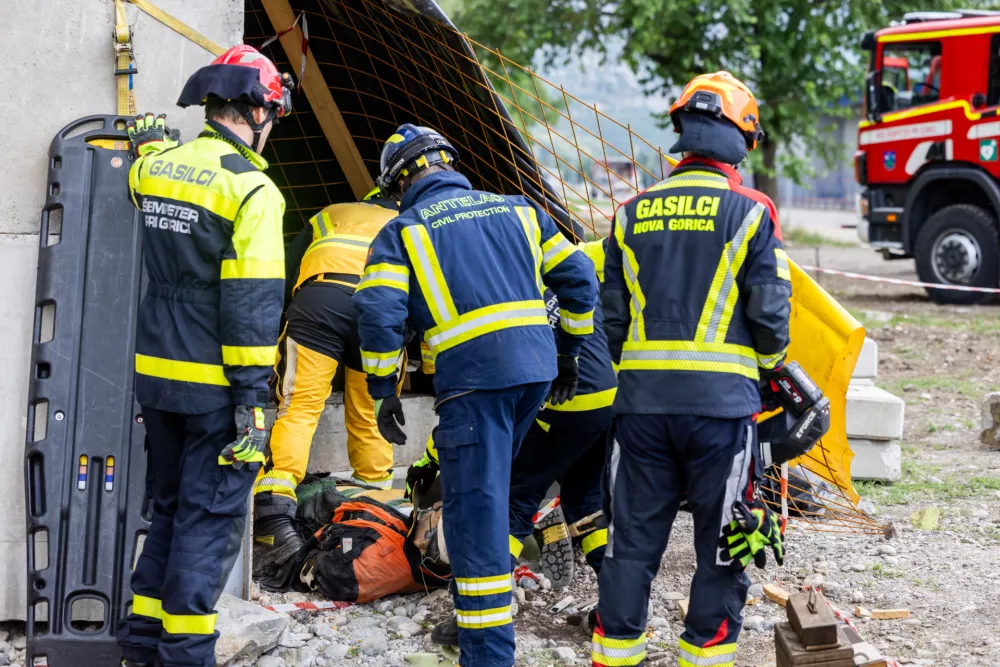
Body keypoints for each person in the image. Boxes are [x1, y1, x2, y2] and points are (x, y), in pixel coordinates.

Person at [353, 124, 597, 667]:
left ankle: (487, 652)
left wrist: (381, 389)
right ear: (448, 164)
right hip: (533, 375)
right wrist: (567, 352)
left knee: (477, 509)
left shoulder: (403, 230)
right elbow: (578, 275)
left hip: (474, 383)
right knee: (482, 494)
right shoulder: (520, 209)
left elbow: (377, 312)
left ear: (399, 184)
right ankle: (471, 612)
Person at [592, 71, 792, 667]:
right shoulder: (752, 212)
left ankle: (617, 654)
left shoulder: (630, 214)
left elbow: (613, 318)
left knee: (630, 544)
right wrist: (771, 367)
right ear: (741, 140)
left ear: (682, 133)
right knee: (725, 544)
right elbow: (771, 311)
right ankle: (703, 656)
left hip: (641, 411)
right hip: (724, 413)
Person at [116, 45, 291, 667]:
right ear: (254, 111)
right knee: (206, 520)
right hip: (215, 385)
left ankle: (141, 646)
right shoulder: (253, 190)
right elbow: (250, 306)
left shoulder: (161, 168)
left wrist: (145, 145)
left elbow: (141, 175)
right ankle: (186, 653)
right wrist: (253, 404)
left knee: (167, 509)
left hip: (156, 378)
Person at [252, 187, 402, 590]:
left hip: (320, 298)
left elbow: (285, 268)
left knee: (299, 408)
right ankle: (372, 504)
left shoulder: (333, 210)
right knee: (371, 412)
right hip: (380, 310)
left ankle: (272, 514)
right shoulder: (412, 223)